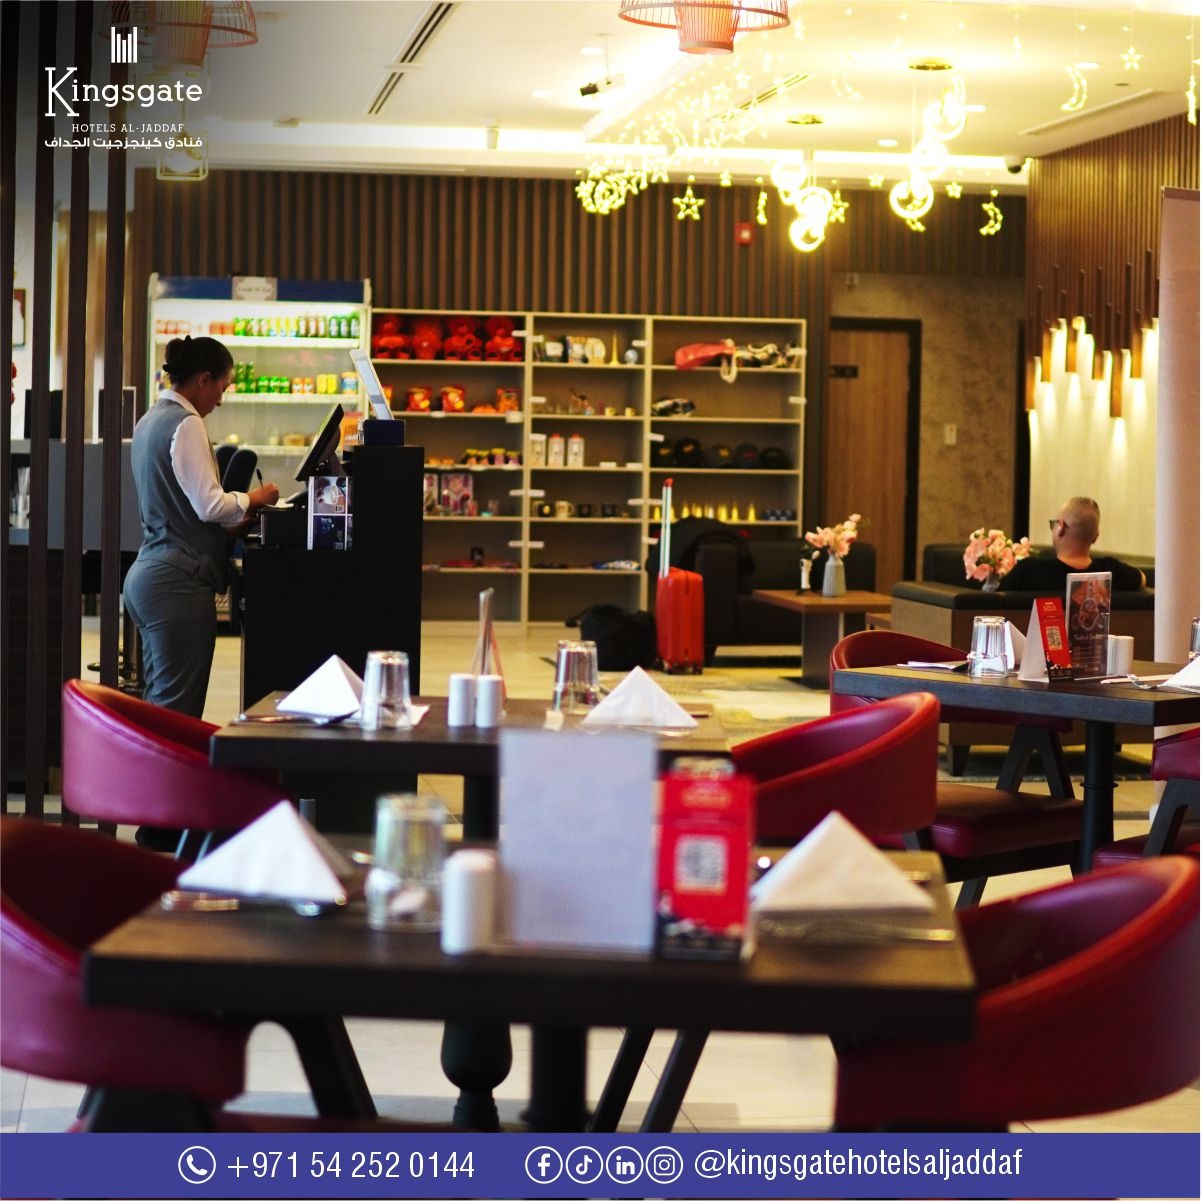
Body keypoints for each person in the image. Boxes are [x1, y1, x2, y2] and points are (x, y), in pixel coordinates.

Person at [124, 335, 279, 721]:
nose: (221, 400)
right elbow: (210, 504)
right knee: (177, 717)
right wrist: (256, 498)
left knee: (158, 710)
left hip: (149, 577)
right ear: (204, 380)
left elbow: (176, 510)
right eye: (222, 388)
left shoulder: (149, 420)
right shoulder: (187, 422)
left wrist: (229, 532)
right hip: (177, 586)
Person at [1000, 496, 1146, 592]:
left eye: (1054, 524)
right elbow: (1143, 579)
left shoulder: (1028, 572)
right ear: (1095, 536)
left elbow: (996, 600)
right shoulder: (1113, 572)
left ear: (1060, 527)